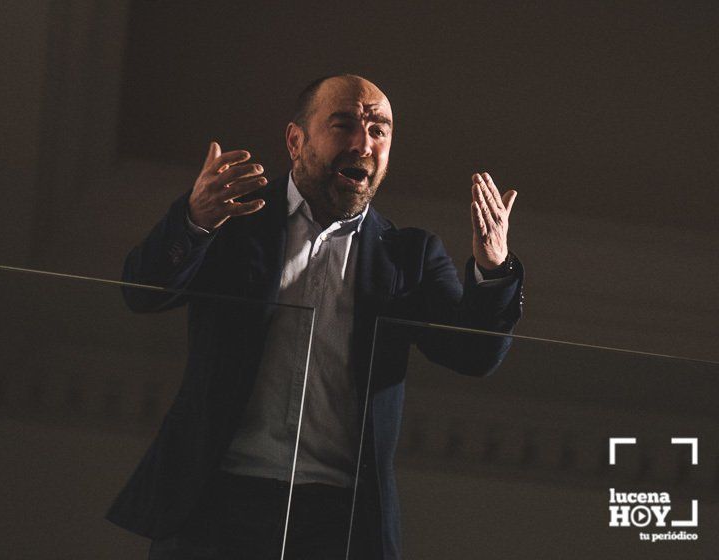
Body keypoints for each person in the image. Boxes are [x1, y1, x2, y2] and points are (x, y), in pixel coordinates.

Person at [107, 74, 524, 559]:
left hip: (337, 521)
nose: (362, 143)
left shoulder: (409, 256)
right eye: (344, 124)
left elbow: (474, 354)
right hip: (215, 504)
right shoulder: (233, 224)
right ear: (295, 140)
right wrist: (195, 221)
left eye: (378, 131)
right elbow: (142, 294)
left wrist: (494, 269)